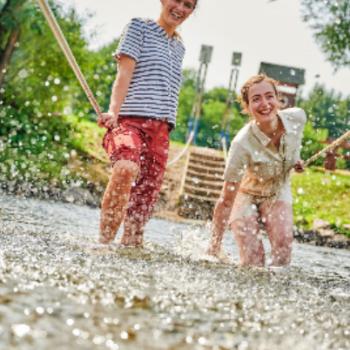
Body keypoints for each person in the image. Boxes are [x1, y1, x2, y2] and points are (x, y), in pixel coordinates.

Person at [97, 0, 197, 246]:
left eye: (189, 5)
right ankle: (103, 244)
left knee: (144, 199)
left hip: (162, 131)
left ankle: (130, 250)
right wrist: (113, 111)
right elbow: (124, 73)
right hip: (129, 121)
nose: (181, 8)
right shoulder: (139, 27)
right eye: (177, 0)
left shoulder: (180, 46)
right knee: (125, 168)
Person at [207, 74, 306, 267]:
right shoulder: (241, 144)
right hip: (245, 194)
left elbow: (295, 144)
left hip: (277, 188)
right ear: (247, 107)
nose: (265, 104)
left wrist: (295, 160)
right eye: (256, 99)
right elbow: (226, 200)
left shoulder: (297, 117)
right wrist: (214, 244)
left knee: (284, 248)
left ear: (278, 99)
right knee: (254, 259)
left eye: (270, 96)